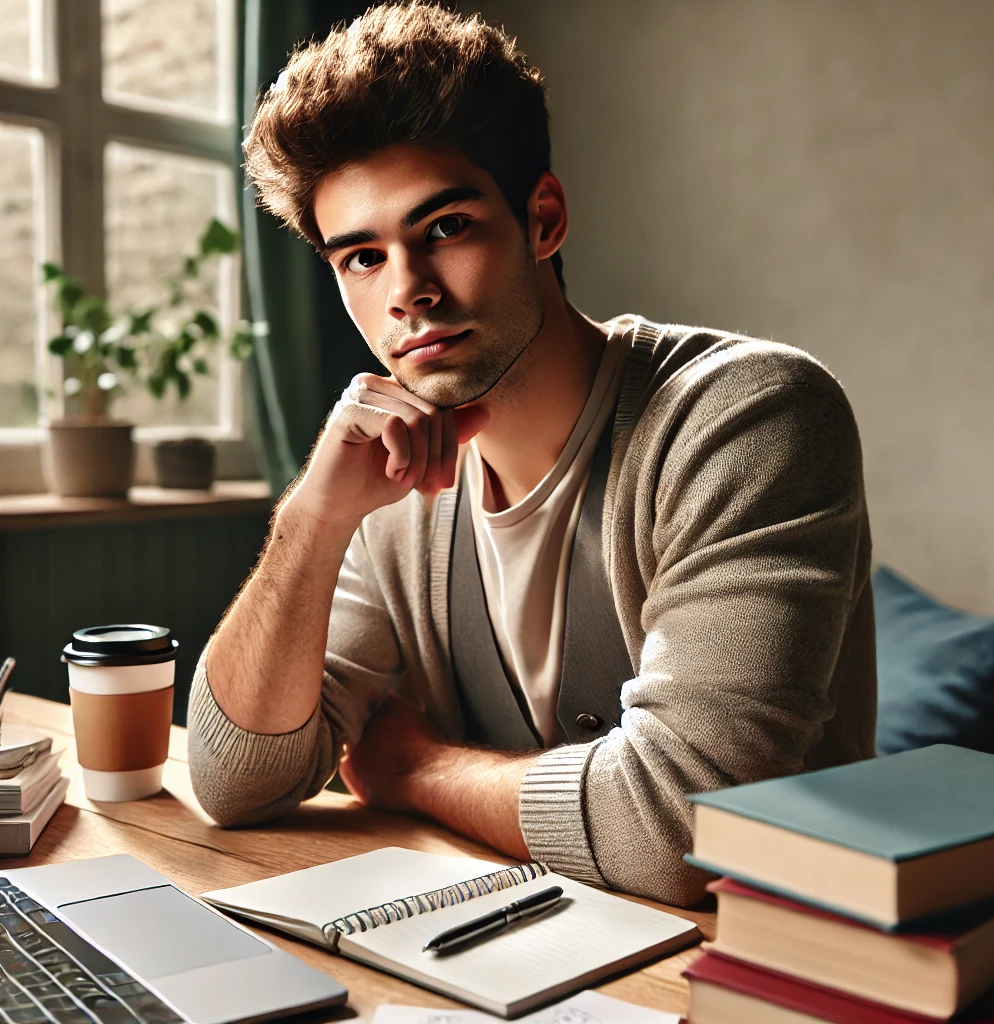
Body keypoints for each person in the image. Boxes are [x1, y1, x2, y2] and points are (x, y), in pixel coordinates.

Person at [188, 3, 875, 907]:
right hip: (501, 966)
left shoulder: (745, 415)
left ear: (542, 218)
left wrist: (416, 769)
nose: (408, 293)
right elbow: (236, 783)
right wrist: (312, 521)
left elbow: (685, 829)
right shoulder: (390, 486)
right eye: (361, 256)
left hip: (762, 975)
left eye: (444, 228)